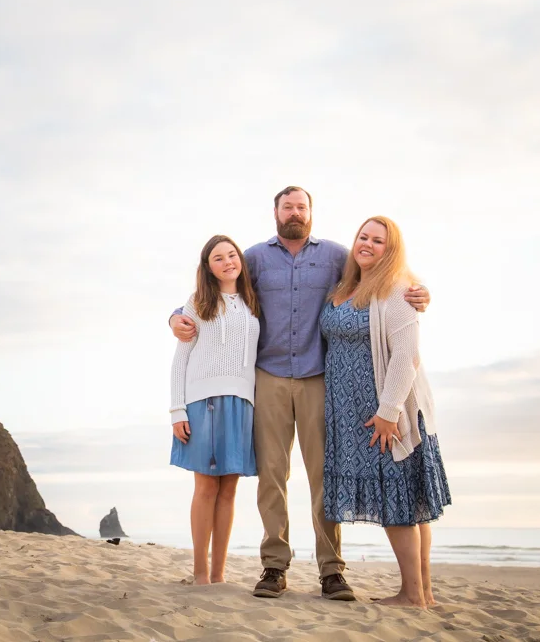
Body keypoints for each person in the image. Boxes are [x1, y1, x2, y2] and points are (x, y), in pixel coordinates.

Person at [170, 186, 430, 600]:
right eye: (287, 206)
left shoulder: (335, 256)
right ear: (275, 212)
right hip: (267, 378)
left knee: (323, 474)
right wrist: (175, 317)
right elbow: (215, 288)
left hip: (317, 377)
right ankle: (274, 566)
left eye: (301, 206)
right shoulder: (253, 257)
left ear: (311, 213)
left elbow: (380, 276)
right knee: (272, 475)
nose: (295, 212)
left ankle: (332, 571)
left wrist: (419, 292)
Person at [320, 216, 451, 608]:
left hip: (386, 413)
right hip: (352, 413)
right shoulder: (346, 286)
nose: (368, 244)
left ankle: (414, 593)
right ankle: (419, 592)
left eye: (379, 241)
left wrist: (389, 411)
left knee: (400, 499)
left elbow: (407, 357)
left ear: (390, 249)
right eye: (363, 237)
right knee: (408, 501)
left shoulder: (397, 288)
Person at [170, 234, 261, 585]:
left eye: (232, 255)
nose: (227, 262)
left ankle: (219, 573)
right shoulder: (197, 303)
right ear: (208, 267)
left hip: (242, 402)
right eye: (218, 258)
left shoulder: (253, 302)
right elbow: (181, 359)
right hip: (201, 401)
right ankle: (200, 573)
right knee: (206, 488)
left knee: (229, 490)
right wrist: (177, 410)